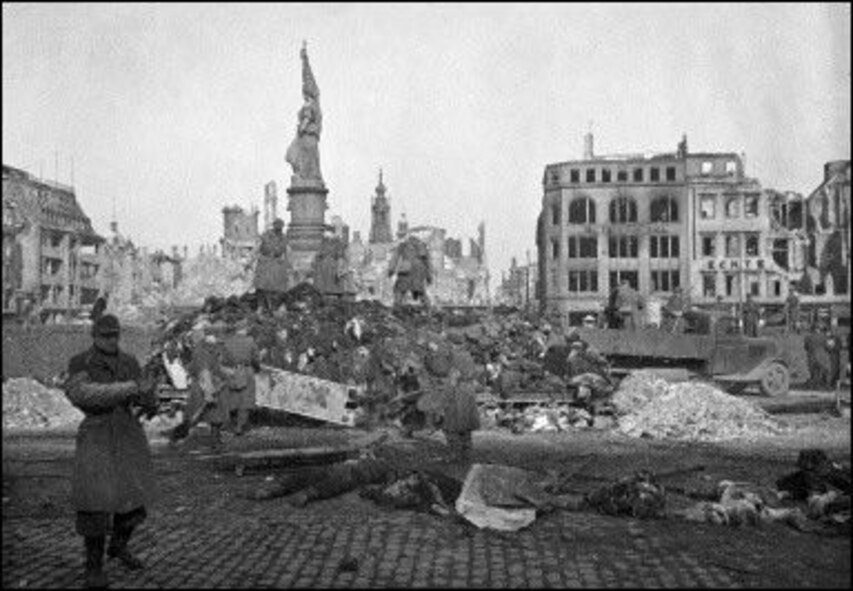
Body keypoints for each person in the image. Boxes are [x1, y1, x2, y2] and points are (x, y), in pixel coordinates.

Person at [63, 314, 158, 588]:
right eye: (105, 335)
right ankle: (93, 568)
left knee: (133, 500)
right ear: (94, 336)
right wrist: (131, 388)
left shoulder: (129, 361)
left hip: (128, 433)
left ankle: (118, 546)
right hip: (96, 435)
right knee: (94, 505)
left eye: (115, 335)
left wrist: (149, 397)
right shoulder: (81, 362)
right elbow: (84, 395)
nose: (111, 340)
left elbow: (144, 398)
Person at [285, 42, 323, 183]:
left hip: (307, 137)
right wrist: (304, 62)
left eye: (305, 91)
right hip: (310, 139)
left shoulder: (310, 105)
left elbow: (306, 119)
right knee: (307, 164)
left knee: (298, 158)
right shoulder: (315, 105)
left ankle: (304, 179)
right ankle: (306, 178)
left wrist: (301, 128)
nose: (304, 93)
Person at [218, 326, 261, 436]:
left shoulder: (227, 342)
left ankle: (229, 424)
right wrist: (257, 368)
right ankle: (240, 426)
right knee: (246, 400)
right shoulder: (250, 341)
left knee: (233, 398)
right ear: (244, 329)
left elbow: (223, 360)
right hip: (247, 371)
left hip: (232, 371)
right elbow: (256, 358)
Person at [439, 369, 480, 463]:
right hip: (464, 418)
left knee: (454, 437)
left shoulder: (452, 387)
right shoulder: (468, 386)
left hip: (456, 418)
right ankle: (465, 456)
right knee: (465, 437)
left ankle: (457, 456)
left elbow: (444, 400)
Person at [254, 218, 292, 313]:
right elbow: (257, 248)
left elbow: (287, 252)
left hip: (276, 264)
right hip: (265, 263)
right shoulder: (265, 235)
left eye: (281, 226)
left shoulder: (284, 238)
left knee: (276, 288)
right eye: (277, 226)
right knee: (261, 286)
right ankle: (260, 306)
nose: (279, 228)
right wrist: (251, 261)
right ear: (274, 226)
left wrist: (288, 266)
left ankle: (273, 307)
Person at [388, 236, 433, 307]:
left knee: (399, 291)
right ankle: (428, 308)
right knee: (420, 291)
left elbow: (395, 258)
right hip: (419, 271)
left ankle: (396, 307)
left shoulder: (403, 245)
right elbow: (428, 263)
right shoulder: (423, 247)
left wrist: (391, 270)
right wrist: (429, 276)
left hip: (406, 270)